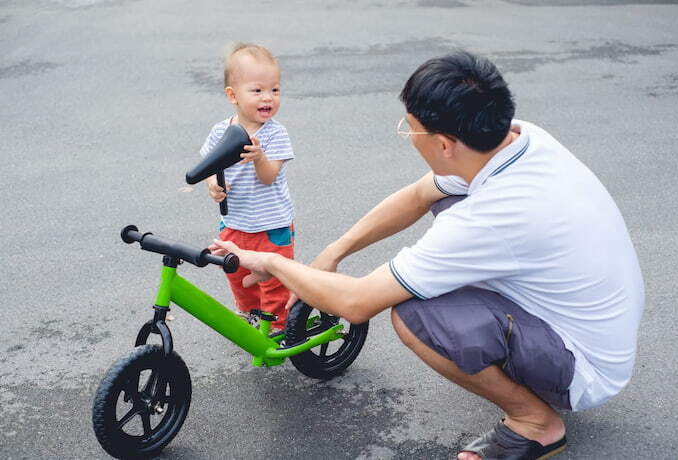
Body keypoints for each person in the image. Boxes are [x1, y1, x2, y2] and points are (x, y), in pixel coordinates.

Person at [210, 50, 645, 459]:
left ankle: (536, 422)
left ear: (445, 144)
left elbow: (357, 303)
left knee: (416, 314)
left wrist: (271, 262)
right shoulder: (516, 138)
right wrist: (333, 251)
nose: (409, 138)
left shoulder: (492, 217)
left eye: (411, 129)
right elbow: (419, 195)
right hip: (590, 324)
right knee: (443, 201)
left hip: (582, 367)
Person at [200, 43, 295, 332]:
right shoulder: (220, 131)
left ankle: (277, 325)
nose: (268, 97)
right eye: (258, 91)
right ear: (233, 95)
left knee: (271, 277)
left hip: (271, 225)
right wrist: (213, 186)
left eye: (275, 90)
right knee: (235, 271)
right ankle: (249, 311)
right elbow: (209, 167)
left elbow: (269, 176)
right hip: (235, 222)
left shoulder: (275, 134)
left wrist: (259, 158)